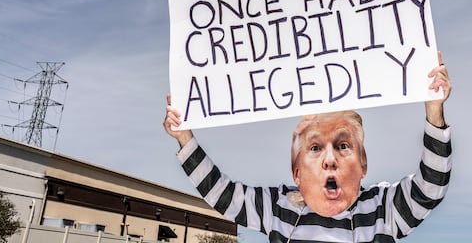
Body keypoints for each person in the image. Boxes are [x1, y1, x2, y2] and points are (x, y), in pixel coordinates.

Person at [163, 52, 452, 242]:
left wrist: (434, 111)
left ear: (363, 165)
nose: (330, 159)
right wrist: (184, 139)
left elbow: (430, 190)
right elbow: (224, 195)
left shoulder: (382, 210)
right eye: (315, 148)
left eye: (342, 145)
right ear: (297, 171)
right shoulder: (278, 208)